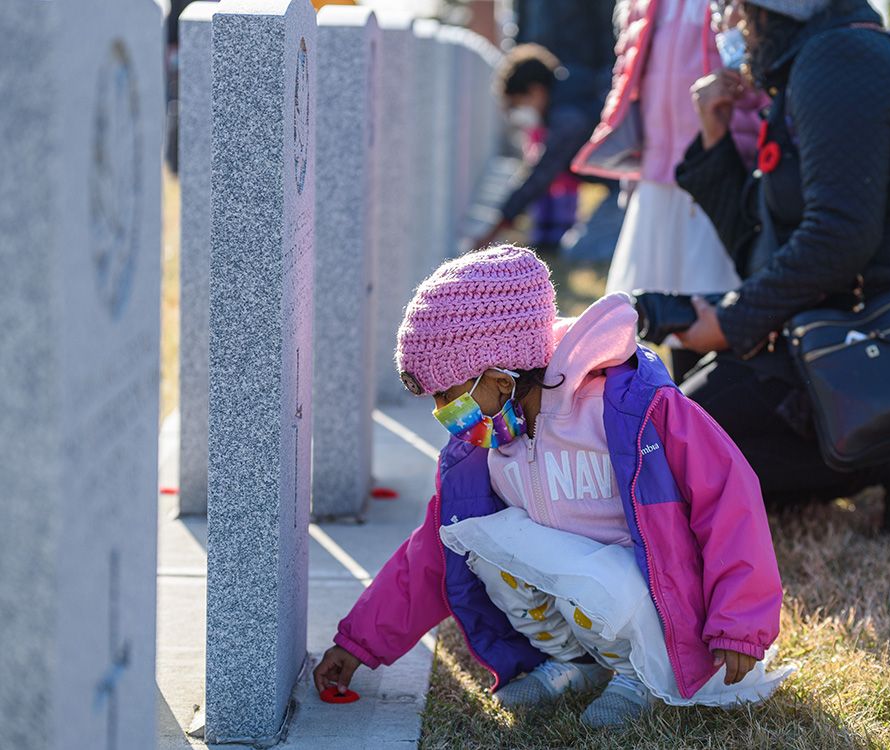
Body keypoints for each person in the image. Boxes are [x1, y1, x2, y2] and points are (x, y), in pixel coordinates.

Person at [313, 246, 792, 728]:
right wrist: (358, 643)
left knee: (593, 578)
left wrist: (738, 623)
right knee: (477, 539)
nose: (441, 412)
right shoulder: (485, 449)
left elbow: (730, 499)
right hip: (581, 603)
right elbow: (429, 553)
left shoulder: (633, 410)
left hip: (652, 601)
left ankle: (638, 676)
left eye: (447, 394)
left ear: (499, 379)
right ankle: (575, 662)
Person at [671, 0, 890, 531]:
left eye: (733, 9)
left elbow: (840, 235)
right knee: (681, 384)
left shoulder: (839, 59)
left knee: (677, 445)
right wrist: (715, 135)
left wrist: (730, 323)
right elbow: (763, 247)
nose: (725, 24)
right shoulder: (820, 60)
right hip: (869, 327)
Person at [573, 0, 766, 379]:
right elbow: (631, 70)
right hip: (659, 174)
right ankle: (690, 413)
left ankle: (724, 413)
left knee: (721, 301)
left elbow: (761, 65)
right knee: (673, 311)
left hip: (723, 166)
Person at [473, 46, 622, 255]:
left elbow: (540, 175)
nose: (518, 115)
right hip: (624, 186)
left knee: (582, 252)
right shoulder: (575, 94)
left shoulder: (568, 118)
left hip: (627, 189)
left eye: (517, 104)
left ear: (536, 91)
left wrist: (495, 229)